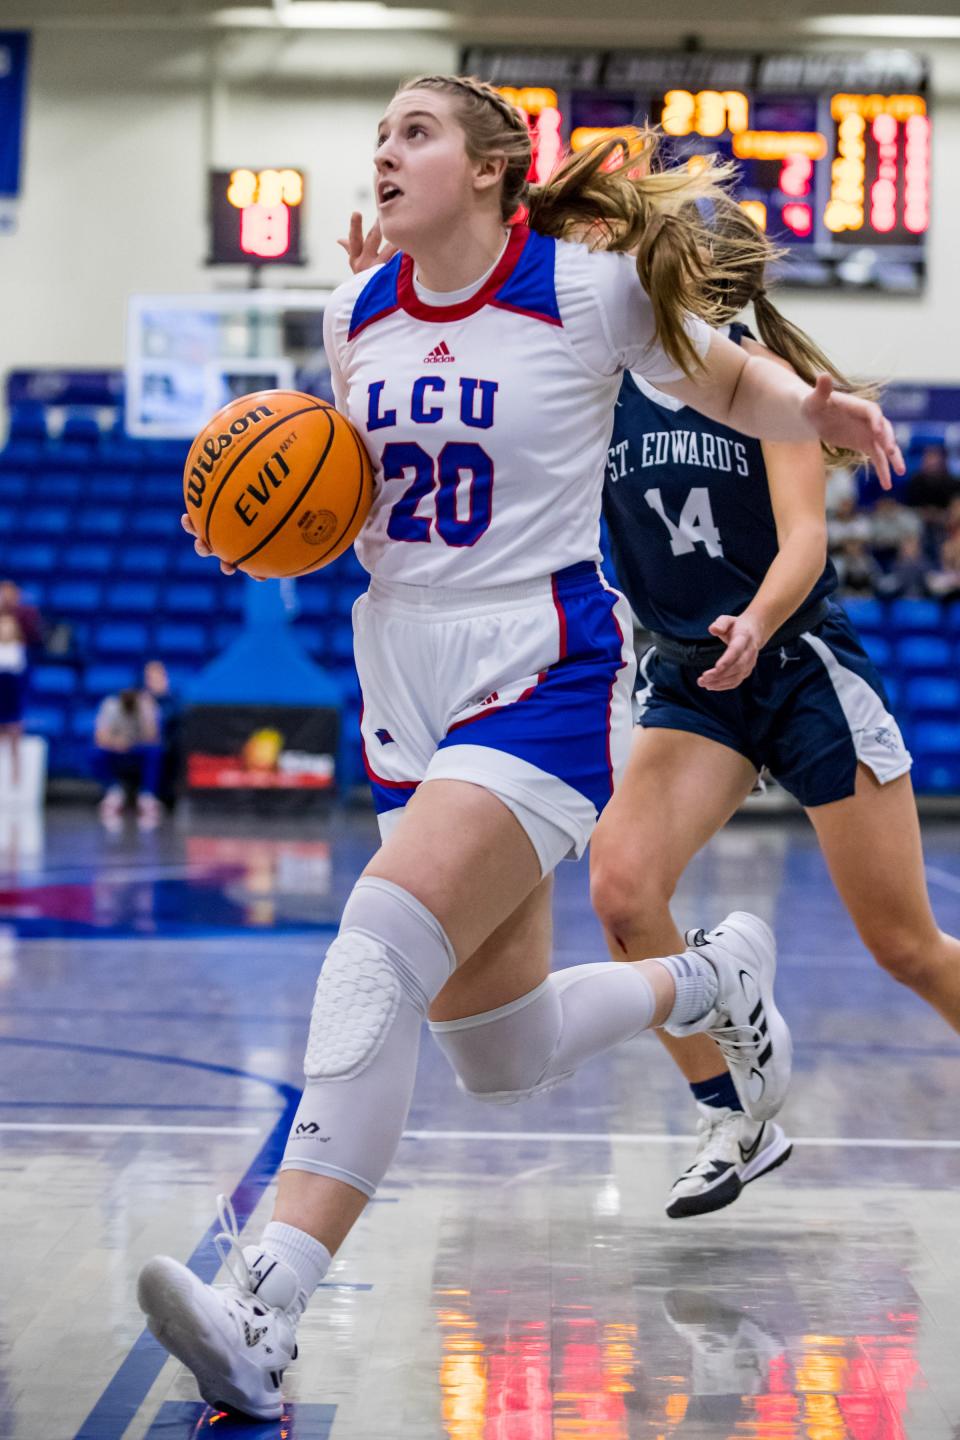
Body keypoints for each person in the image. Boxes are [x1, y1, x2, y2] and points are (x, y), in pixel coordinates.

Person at [136, 77, 902, 1421]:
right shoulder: (349, 314)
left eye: (415, 133)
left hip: (533, 670)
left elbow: (722, 377)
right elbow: (337, 488)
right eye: (375, 135)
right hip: (398, 672)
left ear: (497, 170)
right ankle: (713, 980)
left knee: (371, 958)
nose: (384, 152)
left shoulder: (585, 289)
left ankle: (264, 1299)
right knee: (491, 1053)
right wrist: (257, 517)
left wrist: (811, 410)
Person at [589, 199, 960, 1221]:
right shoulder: (606, 381)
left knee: (906, 947)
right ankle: (733, 1114)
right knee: (622, 892)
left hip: (795, 667)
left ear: (698, 279)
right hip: (689, 683)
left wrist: (753, 621)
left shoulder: (765, 383)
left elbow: (805, 541)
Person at [92, 685, 164, 827]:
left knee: (155, 752)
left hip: (138, 749)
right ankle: (113, 791)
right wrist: (117, 742)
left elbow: (153, 737)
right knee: (95, 753)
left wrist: (147, 714)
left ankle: (147, 796)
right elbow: (100, 737)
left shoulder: (147, 707)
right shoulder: (110, 706)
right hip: (116, 749)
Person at [0, 613, 27, 795]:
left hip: (12, 699)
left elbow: (23, 680)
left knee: (14, 739)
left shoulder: (19, 650)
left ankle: (16, 777)